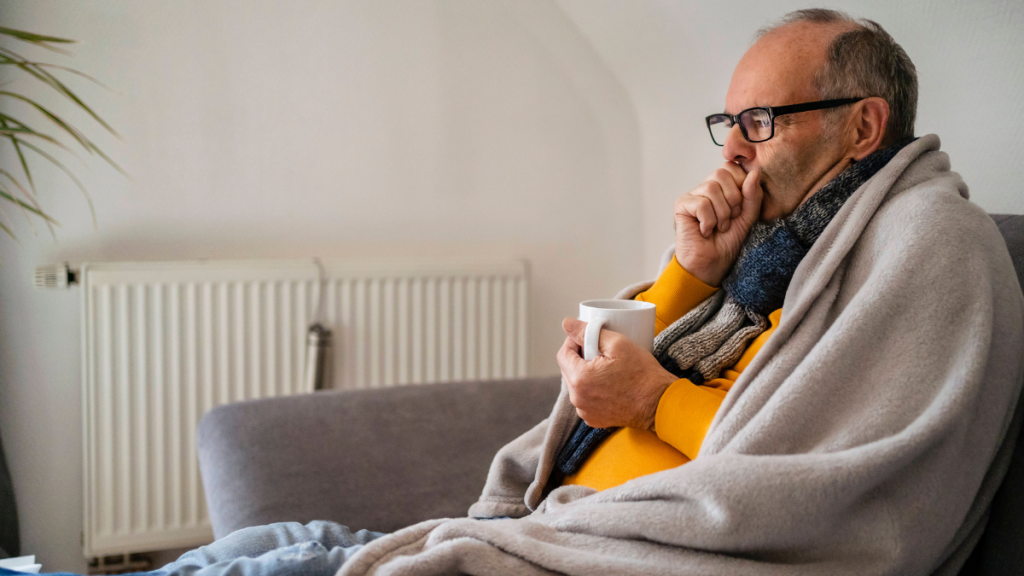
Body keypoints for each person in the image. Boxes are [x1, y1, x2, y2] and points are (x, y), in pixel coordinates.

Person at [156, 8, 1024, 576]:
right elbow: (692, 370)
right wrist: (693, 268)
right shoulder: (788, 244)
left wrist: (649, 398)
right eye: (729, 124)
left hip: (628, 548)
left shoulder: (929, 242)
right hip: (573, 522)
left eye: (760, 121)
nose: (733, 151)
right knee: (266, 543)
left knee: (283, 563)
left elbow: (809, 478)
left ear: (863, 125)